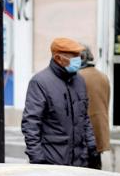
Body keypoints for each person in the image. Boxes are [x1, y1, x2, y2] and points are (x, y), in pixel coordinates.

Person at [22, 37, 97, 167]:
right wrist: (38, 160)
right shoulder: (40, 82)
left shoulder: (79, 81)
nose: (78, 59)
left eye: (79, 55)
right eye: (73, 56)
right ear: (58, 58)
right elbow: (31, 124)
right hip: (52, 163)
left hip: (80, 162)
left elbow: (84, 118)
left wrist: (92, 147)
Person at [77, 46, 110, 169]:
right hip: (100, 133)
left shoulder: (77, 77)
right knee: (96, 170)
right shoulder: (103, 77)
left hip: (84, 136)